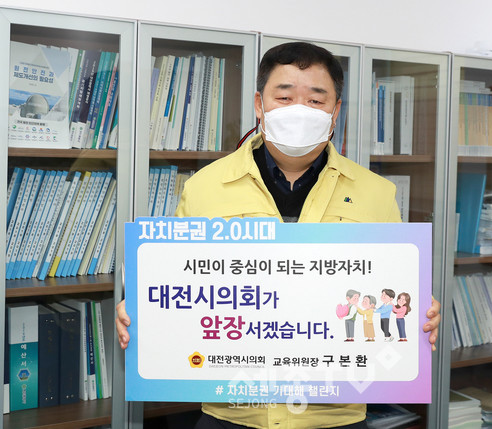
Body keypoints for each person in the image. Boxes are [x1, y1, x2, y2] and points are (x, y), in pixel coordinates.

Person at [116, 41, 441, 429]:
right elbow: (177, 283)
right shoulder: (204, 187)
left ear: (336, 111)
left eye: (316, 100)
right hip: (231, 412)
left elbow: (390, 289)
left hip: (335, 415)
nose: (299, 111)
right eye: (284, 97)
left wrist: (419, 312)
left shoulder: (377, 193)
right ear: (259, 104)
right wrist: (138, 312)